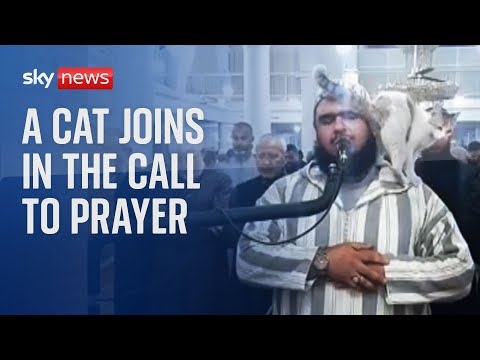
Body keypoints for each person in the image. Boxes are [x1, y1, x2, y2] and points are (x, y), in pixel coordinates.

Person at [236, 80, 475, 315]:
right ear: (316, 134)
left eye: (351, 116)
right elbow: (247, 258)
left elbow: (461, 271)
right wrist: (322, 261)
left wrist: (384, 271)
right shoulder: (285, 192)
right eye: (327, 120)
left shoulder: (414, 194)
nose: (339, 126)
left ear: (372, 128)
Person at [224, 134, 287, 314]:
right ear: (255, 158)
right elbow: (232, 235)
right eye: (262, 156)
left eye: (273, 156)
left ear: (284, 158)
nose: (266, 162)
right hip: (248, 268)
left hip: (281, 268)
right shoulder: (242, 191)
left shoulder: (294, 189)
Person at [217, 122, 258, 187]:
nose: (239, 142)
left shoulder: (259, 165)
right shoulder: (222, 166)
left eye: (243, 138)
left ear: (252, 139)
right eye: (235, 138)